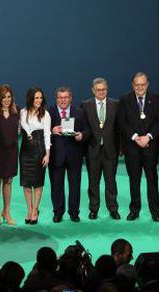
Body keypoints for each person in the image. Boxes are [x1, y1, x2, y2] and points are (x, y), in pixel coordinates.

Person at [119, 72, 159, 221]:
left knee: (152, 179)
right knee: (134, 180)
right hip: (132, 148)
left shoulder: (156, 99)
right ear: (133, 85)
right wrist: (135, 137)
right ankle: (134, 210)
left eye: (142, 84)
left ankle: (155, 211)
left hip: (150, 147)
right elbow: (122, 122)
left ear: (147, 84)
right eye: (137, 85)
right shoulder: (125, 100)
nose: (140, 87)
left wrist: (148, 136)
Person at [82, 78, 120, 220]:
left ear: (107, 89)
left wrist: (119, 148)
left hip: (111, 150)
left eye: (103, 89)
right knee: (93, 182)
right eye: (98, 90)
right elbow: (84, 128)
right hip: (92, 150)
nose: (101, 92)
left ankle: (113, 209)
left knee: (111, 182)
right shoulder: (85, 105)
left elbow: (119, 129)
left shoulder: (115, 104)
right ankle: (93, 209)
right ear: (93, 90)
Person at [49, 86, 87, 222]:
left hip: (74, 156)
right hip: (55, 156)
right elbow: (41, 133)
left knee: (75, 186)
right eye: (60, 97)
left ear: (70, 98)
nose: (63, 100)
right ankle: (58, 213)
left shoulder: (80, 112)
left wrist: (81, 135)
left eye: (65, 97)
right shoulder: (49, 112)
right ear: (56, 98)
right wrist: (51, 130)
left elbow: (87, 131)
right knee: (56, 186)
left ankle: (74, 213)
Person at [19, 87, 50, 225]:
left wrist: (47, 154)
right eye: (36, 97)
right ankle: (29, 209)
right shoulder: (22, 112)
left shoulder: (45, 114)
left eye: (41, 98)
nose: (39, 100)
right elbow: (19, 130)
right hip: (25, 151)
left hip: (39, 150)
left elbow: (47, 135)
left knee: (37, 183)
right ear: (30, 98)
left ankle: (35, 210)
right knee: (26, 184)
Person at [0, 84, 19, 226]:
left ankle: (6, 212)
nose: (7, 100)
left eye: (9, 97)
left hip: (12, 152)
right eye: (4, 97)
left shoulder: (17, 112)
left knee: (8, 181)